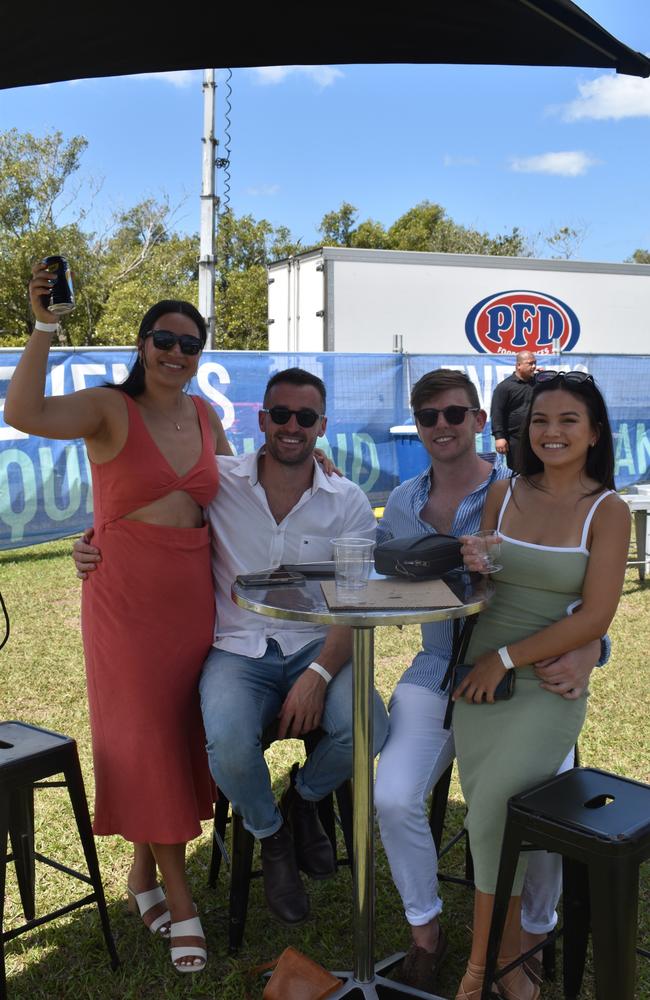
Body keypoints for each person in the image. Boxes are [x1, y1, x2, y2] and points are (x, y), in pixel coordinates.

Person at [74, 367, 390, 927]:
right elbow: (145, 498)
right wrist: (94, 541)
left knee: (369, 725)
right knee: (227, 741)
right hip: (238, 649)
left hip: (318, 647)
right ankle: (271, 838)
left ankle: (303, 800)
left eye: (306, 417)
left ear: (322, 426)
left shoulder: (347, 500)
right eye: (282, 415)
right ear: (262, 420)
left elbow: (354, 604)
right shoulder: (220, 480)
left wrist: (317, 674)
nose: (293, 427)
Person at [5, 263, 232, 973]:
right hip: (126, 600)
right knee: (148, 739)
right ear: (142, 344)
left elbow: (236, 499)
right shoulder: (108, 406)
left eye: (189, 345)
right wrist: (45, 328)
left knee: (174, 735)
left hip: (193, 594)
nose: (176, 353)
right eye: (164, 339)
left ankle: (140, 875)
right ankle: (180, 895)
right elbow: (23, 413)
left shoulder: (205, 416)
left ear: (199, 357)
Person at [374, 368, 608, 994]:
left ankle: (531, 933)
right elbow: (374, 571)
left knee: (537, 807)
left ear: (481, 422)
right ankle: (427, 933)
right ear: (416, 427)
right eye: (429, 417)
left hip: (521, 673)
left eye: (455, 414)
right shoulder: (400, 502)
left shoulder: (517, 489)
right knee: (394, 797)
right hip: (435, 672)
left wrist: (593, 647)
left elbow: (570, 600)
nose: (442, 427)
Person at [452, 370, 630, 1000]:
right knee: (490, 819)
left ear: (594, 434)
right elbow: (487, 585)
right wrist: (476, 563)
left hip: (545, 684)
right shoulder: (505, 490)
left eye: (568, 421)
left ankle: (480, 973)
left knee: (499, 808)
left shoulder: (608, 511)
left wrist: (509, 656)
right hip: (482, 682)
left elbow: (596, 616)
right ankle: (515, 956)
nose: (551, 433)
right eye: (541, 422)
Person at [490, 352, 537, 470]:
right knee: (518, 473)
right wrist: (499, 437)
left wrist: (544, 377)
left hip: (537, 437)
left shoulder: (539, 383)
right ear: (518, 365)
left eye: (535, 363)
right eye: (530, 363)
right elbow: (497, 412)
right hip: (515, 440)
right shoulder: (504, 387)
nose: (534, 367)